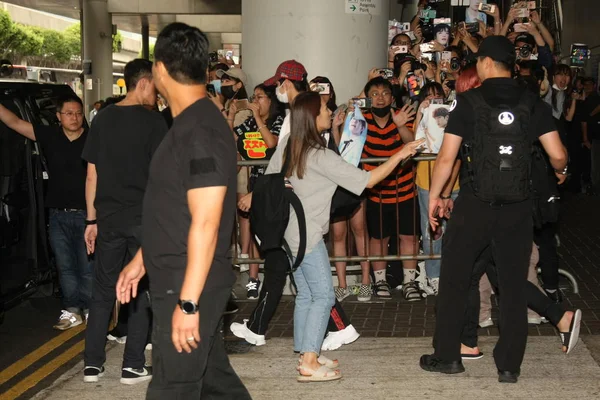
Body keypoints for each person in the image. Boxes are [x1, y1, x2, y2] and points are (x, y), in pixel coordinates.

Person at [419, 36, 568, 383]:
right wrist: (560, 171)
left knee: (456, 279)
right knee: (513, 286)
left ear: (486, 63)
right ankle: (509, 366)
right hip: (517, 207)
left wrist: (434, 197)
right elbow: (557, 154)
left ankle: (448, 357)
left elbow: (446, 156)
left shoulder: (468, 102)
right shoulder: (534, 102)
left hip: (475, 204)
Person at [116, 23, 251, 399]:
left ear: (159, 69)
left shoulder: (199, 131)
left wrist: (188, 303)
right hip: (180, 274)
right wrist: (143, 258)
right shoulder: (190, 124)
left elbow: (206, 223)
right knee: (215, 383)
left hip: (189, 281)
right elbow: (177, 207)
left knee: (172, 389)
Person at [261, 90, 424, 381]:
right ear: (313, 117)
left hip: (288, 234)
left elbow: (270, 181)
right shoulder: (319, 155)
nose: (330, 112)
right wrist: (401, 153)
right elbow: (368, 180)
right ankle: (309, 362)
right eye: (325, 108)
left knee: (307, 295)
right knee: (323, 295)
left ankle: (306, 353)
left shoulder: (288, 144)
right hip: (308, 237)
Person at [231, 61, 361, 351]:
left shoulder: (300, 113)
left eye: (276, 84)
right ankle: (292, 344)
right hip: (292, 211)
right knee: (294, 279)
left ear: (286, 83)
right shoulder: (296, 112)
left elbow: (286, 163)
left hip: (298, 214)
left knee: (312, 288)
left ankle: (333, 332)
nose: (272, 91)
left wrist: (258, 194)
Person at [82, 59, 167, 384]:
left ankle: (92, 364)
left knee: (103, 289)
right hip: (143, 220)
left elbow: (92, 174)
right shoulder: (154, 122)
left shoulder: (102, 119)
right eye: (155, 86)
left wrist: (92, 219)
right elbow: (161, 178)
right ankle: (132, 364)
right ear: (144, 83)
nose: (157, 93)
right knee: (141, 289)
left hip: (108, 219)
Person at [0, 95, 92, 330]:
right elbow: (14, 122)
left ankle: (92, 309)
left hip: (87, 216)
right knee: (65, 265)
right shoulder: (50, 136)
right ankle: (73, 310)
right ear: (58, 117)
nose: (75, 117)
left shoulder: (94, 139)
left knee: (87, 266)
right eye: (69, 113)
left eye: (79, 113)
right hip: (58, 215)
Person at [360, 76, 420, 301]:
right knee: (378, 239)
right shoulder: (361, 118)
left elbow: (412, 143)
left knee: (409, 237)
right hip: (376, 192)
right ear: (367, 98)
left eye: (385, 93)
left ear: (392, 97)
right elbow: (350, 145)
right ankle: (381, 280)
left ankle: (410, 282)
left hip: (405, 189)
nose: (380, 98)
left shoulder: (402, 115)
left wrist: (400, 125)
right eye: (374, 94)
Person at [235, 83, 285, 298]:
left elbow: (271, 143)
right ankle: (254, 280)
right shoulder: (249, 121)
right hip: (255, 181)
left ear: (271, 100)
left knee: (274, 234)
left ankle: (277, 278)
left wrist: (257, 119)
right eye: (254, 97)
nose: (255, 102)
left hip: (274, 183)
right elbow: (235, 136)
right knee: (255, 232)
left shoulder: (279, 121)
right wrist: (230, 114)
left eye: (260, 97)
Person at [414, 82, 459, 296]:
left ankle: (452, 274)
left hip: (453, 184)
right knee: (431, 229)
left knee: (455, 230)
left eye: (437, 96)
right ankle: (433, 276)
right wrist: (420, 114)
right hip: (426, 179)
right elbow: (416, 143)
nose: (434, 101)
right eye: (429, 97)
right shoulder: (423, 115)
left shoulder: (453, 115)